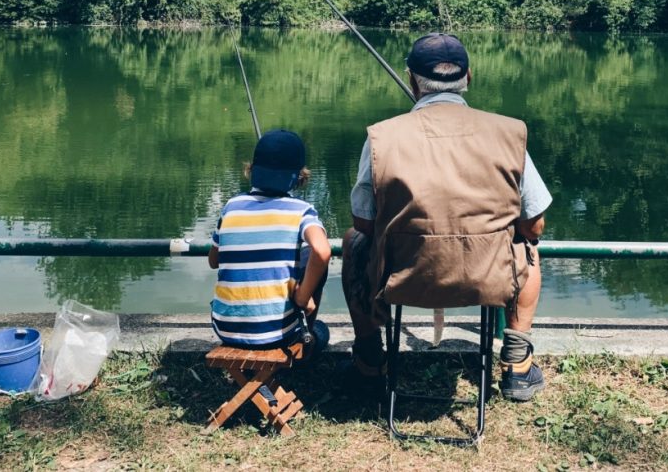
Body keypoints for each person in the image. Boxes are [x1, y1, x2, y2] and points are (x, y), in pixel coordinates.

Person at [341, 33, 552, 401]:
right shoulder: (509, 133)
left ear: (411, 80)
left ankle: (370, 361)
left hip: (402, 279)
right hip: (489, 279)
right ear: (469, 77)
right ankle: (517, 365)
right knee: (528, 249)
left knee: (353, 242)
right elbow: (533, 224)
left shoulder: (381, 138)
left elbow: (363, 223)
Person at [208, 129, 331, 353]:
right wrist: (303, 298)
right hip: (277, 334)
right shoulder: (302, 211)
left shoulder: (231, 206)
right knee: (322, 331)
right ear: (299, 177)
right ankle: (307, 338)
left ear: (251, 170)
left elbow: (213, 261)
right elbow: (322, 251)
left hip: (224, 328)